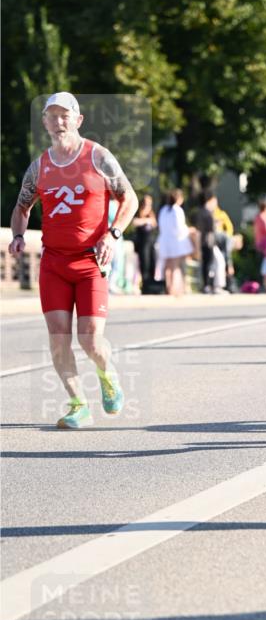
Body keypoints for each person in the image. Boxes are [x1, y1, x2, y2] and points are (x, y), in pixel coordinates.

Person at [8, 91, 138, 428]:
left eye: (65, 115)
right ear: (45, 122)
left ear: (78, 120)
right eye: (52, 115)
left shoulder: (98, 157)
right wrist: (18, 235)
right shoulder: (39, 167)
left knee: (90, 339)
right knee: (58, 339)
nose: (59, 121)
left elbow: (129, 199)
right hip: (54, 264)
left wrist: (113, 233)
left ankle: (108, 375)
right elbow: (22, 206)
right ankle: (78, 404)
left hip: (91, 261)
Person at [156, 188, 194, 296]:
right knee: (174, 266)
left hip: (164, 240)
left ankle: (168, 286)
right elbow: (179, 228)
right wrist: (189, 230)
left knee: (168, 265)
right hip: (175, 242)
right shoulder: (177, 210)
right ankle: (173, 288)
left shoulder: (164, 210)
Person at [132, 194, 157, 293]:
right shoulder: (139, 214)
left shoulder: (151, 214)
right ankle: (145, 286)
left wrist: (149, 219)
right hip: (142, 243)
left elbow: (155, 224)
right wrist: (146, 220)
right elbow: (134, 222)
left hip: (151, 243)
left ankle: (151, 284)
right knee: (144, 264)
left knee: (152, 263)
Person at [195, 191, 219, 293]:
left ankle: (207, 284)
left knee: (207, 263)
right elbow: (206, 229)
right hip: (208, 241)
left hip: (205, 240)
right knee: (209, 263)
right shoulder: (206, 212)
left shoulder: (202, 212)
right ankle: (208, 284)